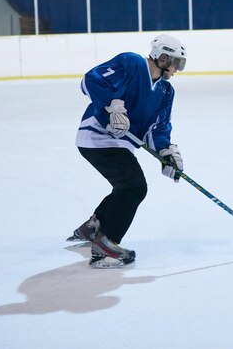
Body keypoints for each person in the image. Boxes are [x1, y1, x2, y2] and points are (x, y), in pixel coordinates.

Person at [67, 34, 187, 268]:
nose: (177, 69)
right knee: (134, 186)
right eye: (176, 62)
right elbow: (90, 80)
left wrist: (166, 152)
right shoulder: (131, 63)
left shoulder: (165, 92)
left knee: (126, 186)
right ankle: (105, 245)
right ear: (162, 58)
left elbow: (158, 127)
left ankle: (95, 226)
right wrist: (111, 104)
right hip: (96, 136)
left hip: (120, 143)